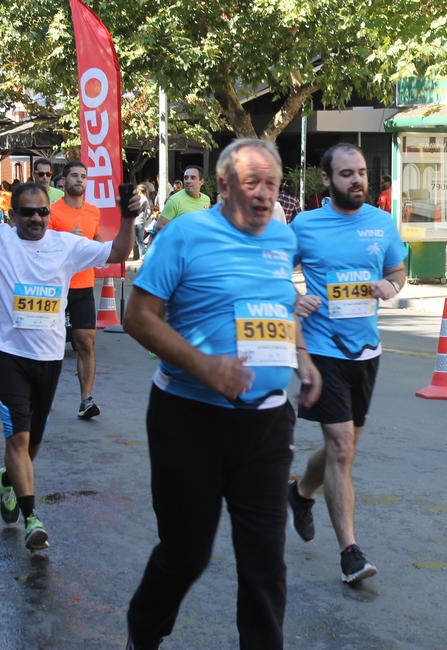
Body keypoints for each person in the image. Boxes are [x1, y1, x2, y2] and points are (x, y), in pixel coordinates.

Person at [122, 138, 321, 650]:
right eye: (253, 183)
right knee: (186, 555)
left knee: (264, 562)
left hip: (266, 424)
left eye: (272, 183)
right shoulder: (186, 234)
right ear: (225, 185)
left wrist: (301, 356)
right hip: (189, 419)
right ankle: (143, 632)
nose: (265, 194)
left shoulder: (282, 238)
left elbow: (278, 300)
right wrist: (203, 365)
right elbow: (138, 317)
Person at [0, 114, 137, 552]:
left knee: (32, 443)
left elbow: (118, 251)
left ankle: (8, 480)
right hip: (7, 353)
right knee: (17, 437)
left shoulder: (65, 245)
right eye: (27, 212)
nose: (35, 218)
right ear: (13, 213)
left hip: (49, 356)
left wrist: (129, 217)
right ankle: (32, 517)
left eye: (41, 212)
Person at [287, 143, 407, 584]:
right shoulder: (305, 225)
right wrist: (294, 298)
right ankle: (350, 553)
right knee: (340, 447)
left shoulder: (382, 222)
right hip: (323, 350)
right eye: (346, 174)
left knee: (345, 446)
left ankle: (300, 493)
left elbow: (397, 271)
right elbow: (274, 273)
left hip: (367, 351)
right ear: (326, 180)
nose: (357, 180)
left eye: (361, 173)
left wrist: (392, 286)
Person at [49, 161, 103, 419]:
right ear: (63, 180)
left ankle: (86, 400)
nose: (79, 180)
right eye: (74, 175)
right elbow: (42, 249)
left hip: (84, 285)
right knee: (50, 344)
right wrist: (67, 239)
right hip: (56, 287)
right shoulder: (52, 211)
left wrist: (101, 248)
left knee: (86, 343)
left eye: (83, 176)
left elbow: (97, 238)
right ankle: (44, 394)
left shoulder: (93, 211)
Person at [154, 166, 211, 233]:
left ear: (201, 181)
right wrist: (183, 234)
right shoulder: (174, 200)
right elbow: (159, 227)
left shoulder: (206, 199)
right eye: (186, 178)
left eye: (193, 178)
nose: (188, 181)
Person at [133, 183, 152, 260]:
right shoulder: (145, 199)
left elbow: (138, 209)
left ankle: (142, 255)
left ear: (140, 192)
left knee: (139, 240)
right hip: (139, 221)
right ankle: (141, 255)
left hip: (139, 221)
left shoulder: (143, 200)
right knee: (138, 240)